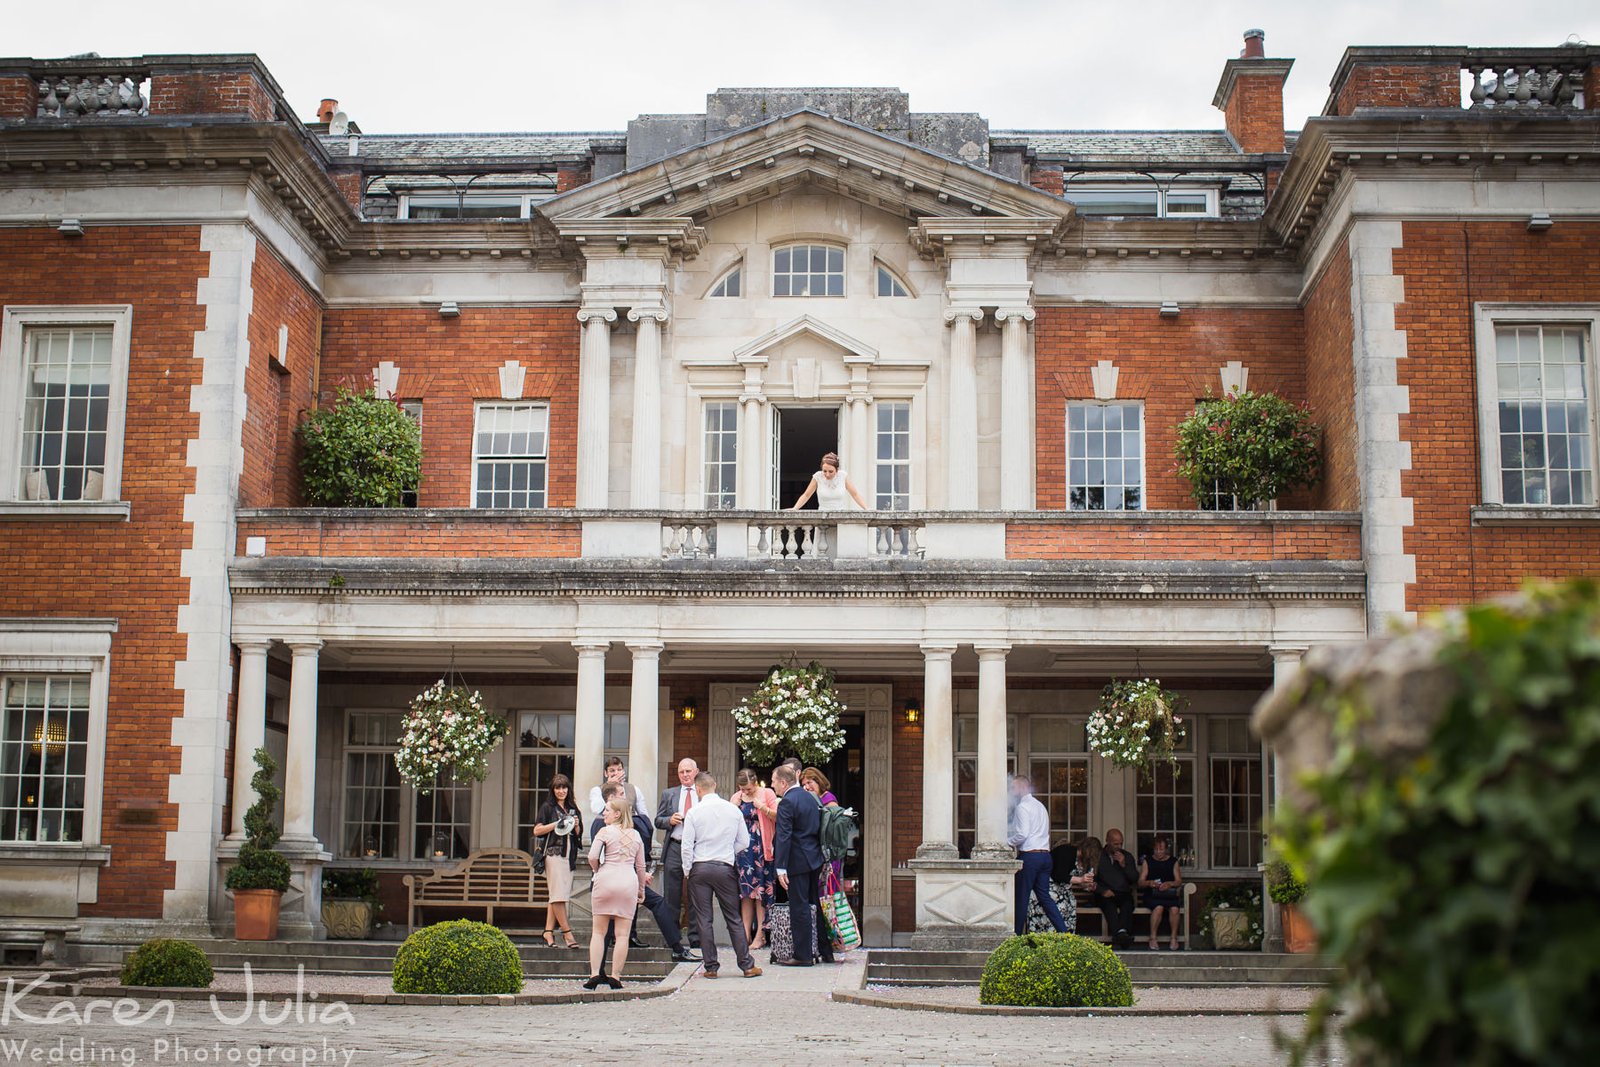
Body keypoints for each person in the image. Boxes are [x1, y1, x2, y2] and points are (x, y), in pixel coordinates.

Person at [597, 780, 700, 964]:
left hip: (625, 877)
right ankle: (601, 968)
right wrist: (601, 873)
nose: (625, 796)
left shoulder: (625, 824)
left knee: (647, 907)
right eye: (621, 793)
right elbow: (596, 857)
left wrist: (639, 874)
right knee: (607, 921)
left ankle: (674, 947)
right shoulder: (602, 824)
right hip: (612, 879)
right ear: (611, 798)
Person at [681, 772, 762, 979]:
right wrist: (728, 851)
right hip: (724, 866)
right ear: (715, 785)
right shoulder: (732, 810)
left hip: (700, 866)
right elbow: (744, 842)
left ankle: (711, 967)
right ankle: (746, 965)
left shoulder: (694, 812)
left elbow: (687, 845)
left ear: (698, 789)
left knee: (703, 919)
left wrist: (687, 870)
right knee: (733, 917)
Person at [772, 763, 833, 966]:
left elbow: (784, 835)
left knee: (800, 908)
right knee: (814, 904)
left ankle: (803, 955)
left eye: (774, 782)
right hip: (813, 859)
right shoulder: (809, 797)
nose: (772, 786)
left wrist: (780, 867)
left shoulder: (787, 801)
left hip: (797, 861)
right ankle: (825, 951)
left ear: (783, 782)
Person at [585, 796, 647, 990]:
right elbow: (641, 866)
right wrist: (641, 890)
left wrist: (597, 869)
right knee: (622, 935)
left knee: (598, 931)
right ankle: (616, 976)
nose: (604, 813)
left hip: (605, 879)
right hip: (627, 881)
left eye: (607, 810)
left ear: (618, 814)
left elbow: (592, 856)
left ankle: (595, 973)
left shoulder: (605, 831)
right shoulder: (636, 836)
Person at [1007, 775, 1068, 935]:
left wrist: (1007, 842)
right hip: (1045, 857)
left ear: (1021, 787)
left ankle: (1016, 936)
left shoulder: (1022, 807)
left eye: (1013, 787)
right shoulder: (1040, 806)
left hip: (1030, 856)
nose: (1012, 791)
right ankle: (1064, 932)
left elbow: (1022, 834)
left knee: (1021, 898)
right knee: (1044, 897)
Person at [532, 773, 582, 950]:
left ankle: (547, 931)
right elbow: (537, 831)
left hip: (569, 856)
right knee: (559, 895)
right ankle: (567, 933)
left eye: (564, 787)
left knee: (556, 895)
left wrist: (575, 825)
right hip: (553, 855)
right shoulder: (548, 807)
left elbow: (578, 836)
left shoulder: (572, 807)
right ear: (553, 790)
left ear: (569, 789)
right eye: (558, 788)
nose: (561, 791)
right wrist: (556, 824)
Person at [655, 758, 701, 948]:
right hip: (675, 845)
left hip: (698, 848)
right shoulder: (669, 794)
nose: (685, 775)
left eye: (688, 771)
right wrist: (669, 820)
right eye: (681, 772)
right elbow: (658, 820)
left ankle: (696, 938)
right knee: (671, 894)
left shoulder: (702, 793)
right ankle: (673, 938)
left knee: (695, 893)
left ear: (696, 772)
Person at [800, 766, 847, 951]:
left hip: (829, 858)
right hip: (820, 857)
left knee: (828, 898)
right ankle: (824, 940)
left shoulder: (829, 801)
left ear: (819, 781)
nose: (807, 787)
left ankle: (832, 940)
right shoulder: (816, 800)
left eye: (810, 782)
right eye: (803, 784)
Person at [734, 768, 778, 948]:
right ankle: (745, 935)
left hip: (761, 848)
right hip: (743, 851)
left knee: (761, 892)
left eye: (749, 790)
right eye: (743, 789)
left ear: (755, 783)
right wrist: (733, 805)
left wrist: (763, 807)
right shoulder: (736, 797)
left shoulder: (767, 793)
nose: (746, 792)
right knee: (745, 893)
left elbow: (779, 816)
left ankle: (760, 934)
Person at [1096, 827, 1141, 949]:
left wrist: (1124, 865)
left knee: (1127, 904)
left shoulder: (1127, 856)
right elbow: (1092, 878)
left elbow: (1134, 878)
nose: (1119, 846)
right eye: (1115, 844)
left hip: (1123, 892)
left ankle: (1120, 935)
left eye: (1121, 843)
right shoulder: (1098, 856)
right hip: (1104, 893)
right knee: (1109, 905)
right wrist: (1102, 890)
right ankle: (1122, 934)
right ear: (1107, 841)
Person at [1139, 834, 1185, 951]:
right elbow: (1140, 882)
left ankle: (1174, 938)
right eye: (1156, 849)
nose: (1159, 852)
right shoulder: (1147, 861)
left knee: (1175, 909)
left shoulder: (1173, 861)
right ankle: (1153, 938)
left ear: (1166, 849)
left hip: (1168, 894)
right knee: (1158, 908)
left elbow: (1179, 881)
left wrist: (1169, 884)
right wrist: (1150, 883)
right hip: (1153, 894)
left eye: (1161, 849)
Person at [787, 451, 867, 511]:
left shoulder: (843, 476)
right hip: (822, 517)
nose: (827, 474)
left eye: (831, 471)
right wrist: (795, 508)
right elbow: (806, 495)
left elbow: (855, 494)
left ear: (837, 470)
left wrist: (866, 509)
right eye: (824, 471)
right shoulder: (818, 476)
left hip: (840, 517)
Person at [589, 755, 649, 823]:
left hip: (629, 827)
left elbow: (643, 814)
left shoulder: (634, 789)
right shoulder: (597, 790)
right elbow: (597, 810)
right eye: (612, 771)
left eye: (619, 770)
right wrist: (610, 786)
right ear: (606, 773)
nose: (616, 773)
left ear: (623, 771)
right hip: (606, 827)